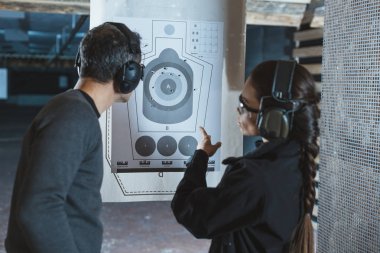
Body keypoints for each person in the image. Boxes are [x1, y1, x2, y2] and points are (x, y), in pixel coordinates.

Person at [5, 22, 143, 253]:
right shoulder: (73, 115)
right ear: (128, 74)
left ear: (81, 63)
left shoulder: (73, 111)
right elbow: (39, 208)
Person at [171, 60, 320, 253]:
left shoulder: (257, 178)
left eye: (245, 104)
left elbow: (190, 212)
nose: (238, 110)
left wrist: (200, 157)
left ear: (273, 118)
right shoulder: (296, 161)